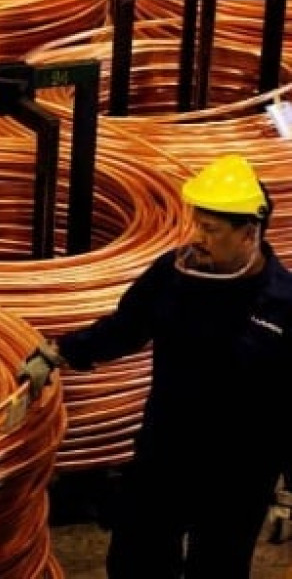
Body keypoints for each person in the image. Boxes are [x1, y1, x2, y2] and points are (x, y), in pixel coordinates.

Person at [18, 154, 292, 579]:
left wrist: (288, 492)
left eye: (211, 229)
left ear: (249, 233)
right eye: (197, 224)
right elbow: (125, 327)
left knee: (217, 567)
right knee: (137, 558)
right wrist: (59, 352)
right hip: (167, 449)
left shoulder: (281, 306)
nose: (198, 237)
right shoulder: (173, 274)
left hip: (239, 470)